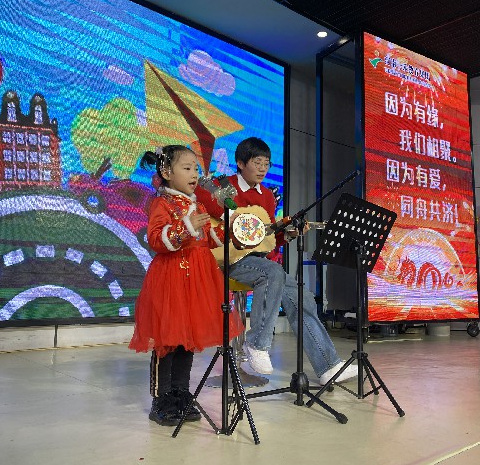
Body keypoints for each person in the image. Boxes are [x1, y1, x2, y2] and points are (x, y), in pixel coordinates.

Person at [196, 137, 358, 385]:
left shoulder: (267, 198)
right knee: (272, 272)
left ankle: (328, 366)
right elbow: (201, 197)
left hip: (258, 261)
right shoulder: (224, 185)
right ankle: (257, 344)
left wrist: (288, 235)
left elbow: (266, 239)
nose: (262, 169)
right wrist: (234, 217)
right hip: (228, 258)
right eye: (257, 162)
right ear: (240, 163)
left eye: (266, 164)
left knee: (301, 297)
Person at [129, 145, 243, 426]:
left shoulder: (199, 205)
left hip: (196, 282)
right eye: (187, 168)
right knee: (167, 340)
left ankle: (181, 392)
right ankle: (161, 399)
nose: (194, 174)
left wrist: (231, 224)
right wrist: (186, 226)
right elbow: (156, 239)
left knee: (187, 339)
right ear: (167, 172)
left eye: (196, 169)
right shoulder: (162, 203)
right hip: (171, 280)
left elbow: (213, 238)